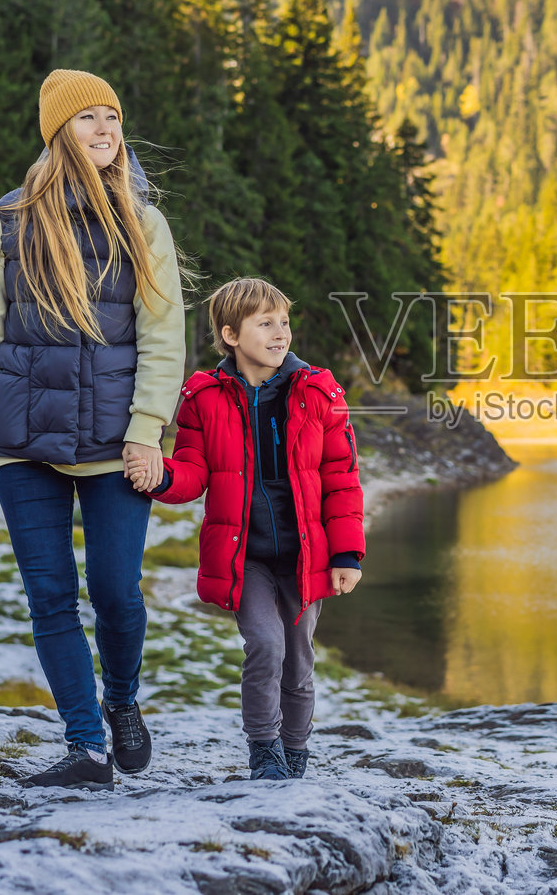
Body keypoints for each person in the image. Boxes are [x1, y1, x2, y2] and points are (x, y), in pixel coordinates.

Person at [0, 69, 185, 790]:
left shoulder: (142, 222)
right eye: (89, 118)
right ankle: (86, 747)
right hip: (20, 441)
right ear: (59, 132)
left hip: (116, 444)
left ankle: (120, 699)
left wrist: (147, 429)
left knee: (117, 591)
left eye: (113, 115)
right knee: (49, 595)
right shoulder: (10, 220)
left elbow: (165, 337)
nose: (107, 128)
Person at [138, 277, 364, 780]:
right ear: (231, 335)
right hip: (247, 558)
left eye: (283, 321)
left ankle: (296, 753)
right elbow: (194, 472)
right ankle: (265, 752)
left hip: (307, 557)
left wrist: (347, 556)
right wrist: (161, 476)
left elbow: (342, 478)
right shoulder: (203, 399)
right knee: (266, 646)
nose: (280, 332)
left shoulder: (319, 392)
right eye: (265, 323)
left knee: (299, 661)